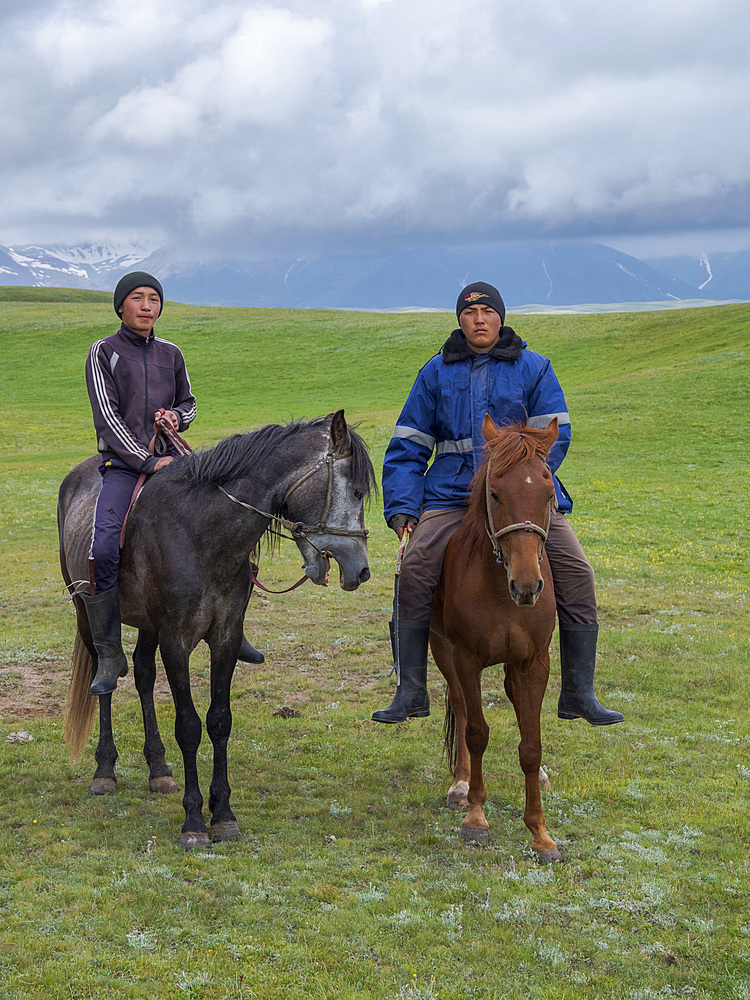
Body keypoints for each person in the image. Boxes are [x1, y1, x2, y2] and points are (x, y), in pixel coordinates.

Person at [372, 280, 623, 727]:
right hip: (451, 497)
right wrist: (404, 509)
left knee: (578, 570)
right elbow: (408, 444)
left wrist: (517, 476)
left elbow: (554, 432)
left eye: (487, 311)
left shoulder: (534, 368)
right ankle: (410, 689)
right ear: (460, 321)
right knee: (414, 568)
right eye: (470, 314)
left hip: (520, 498)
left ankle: (579, 692)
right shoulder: (435, 372)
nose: (479, 319)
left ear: (501, 318)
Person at [83, 271, 263, 697]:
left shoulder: (171, 353)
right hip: (125, 465)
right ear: (120, 306)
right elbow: (107, 416)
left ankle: (234, 626)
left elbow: (189, 402)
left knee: (232, 520)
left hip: (174, 459)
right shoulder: (103, 351)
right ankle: (109, 648)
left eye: (154, 300)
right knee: (105, 544)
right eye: (138, 298)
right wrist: (147, 460)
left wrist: (175, 418)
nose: (147, 306)